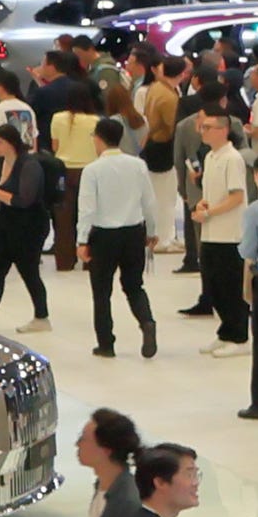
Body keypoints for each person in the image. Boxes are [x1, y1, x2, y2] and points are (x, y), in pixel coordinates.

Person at [74, 114, 160, 358]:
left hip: (103, 236)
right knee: (134, 285)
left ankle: (106, 343)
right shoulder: (137, 165)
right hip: (134, 232)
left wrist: (82, 240)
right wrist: (152, 231)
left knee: (102, 292)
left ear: (98, 139)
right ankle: (147, 321)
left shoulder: (92, 170)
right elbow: (149, 201)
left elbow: (87, 209)